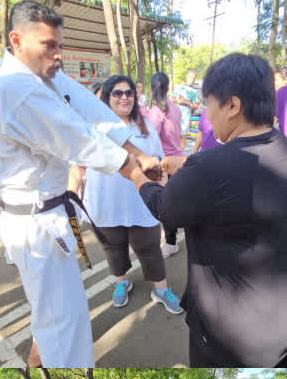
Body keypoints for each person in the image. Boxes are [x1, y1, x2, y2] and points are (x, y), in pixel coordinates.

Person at [0, 0, 159, 367]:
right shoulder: (14, 88)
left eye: (60, 45)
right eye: (49, 45)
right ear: (16, 40)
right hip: (36, 224)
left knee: (50, 308)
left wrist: (135, 154)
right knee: (67, 324)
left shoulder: (42, 75)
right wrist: (136, 173)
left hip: (48, 214)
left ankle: (37, 358)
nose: (58, 55)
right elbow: (79, 139)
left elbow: (93, 114)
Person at [142, 53, 287, 367]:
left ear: (232, 105)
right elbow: (236, 172)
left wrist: (135, 176)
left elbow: (165, 209)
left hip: (239, 326)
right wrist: (186, 164)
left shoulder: (210, 167)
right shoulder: (278, 143)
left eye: (209, 104)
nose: (207, 115)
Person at [75, 74, 182, 313]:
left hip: (140, 201)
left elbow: (157, 163)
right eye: (117, 93)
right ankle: (122, 283)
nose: (125, 97)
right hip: (105, 202)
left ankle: (161, 289)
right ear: (106, 97)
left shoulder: (146, 127)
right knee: (113, 249)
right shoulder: (93, 128)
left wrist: (165, 191)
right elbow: (77, 165)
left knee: (150, 248)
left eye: (129, 92)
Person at [143, 72, 185, 257]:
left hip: (163, 164)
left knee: (163, 204)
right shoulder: (175, 108)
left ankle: (169, 242)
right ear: (168, 88)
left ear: (152, 89)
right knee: (175, 201)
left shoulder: (154, 112)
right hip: (178, 160)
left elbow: (152, 140)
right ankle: (171, 240)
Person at [171, 69, 201, 150]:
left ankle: (180, 156)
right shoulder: (178, 87)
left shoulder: (194, 91)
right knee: (174, 135)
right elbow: (172, 100)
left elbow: (195, 106)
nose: (192, 79)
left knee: (183, 137)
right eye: (190, 77)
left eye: (194, 78)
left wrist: (186, 102)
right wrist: (177, 101)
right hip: (175, 114)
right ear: (186, 77)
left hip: (186, 115)